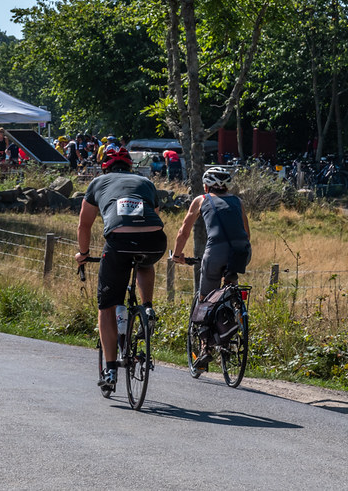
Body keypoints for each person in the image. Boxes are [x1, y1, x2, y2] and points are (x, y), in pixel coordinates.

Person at [75, 147, 167, 394]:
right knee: (144, 263)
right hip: (155, 240)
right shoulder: (146, 182)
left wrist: (83, 255)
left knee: (106, 307)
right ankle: (147, 308)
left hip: (118, 242)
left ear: (105, 168)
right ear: (129, 168)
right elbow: (154, 216)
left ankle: (111, 369)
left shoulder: (97, 183)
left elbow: (84, 225)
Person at [170, 166, 251, 369]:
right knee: (229, 288)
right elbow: (246, 232)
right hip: (242, 251)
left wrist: (178, 255)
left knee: (205, 299)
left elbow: (184, 231)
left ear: (206, 185)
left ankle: (205, 349)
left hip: (216, 251)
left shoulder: (201, 200)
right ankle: (230, 318)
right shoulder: (238, 201)